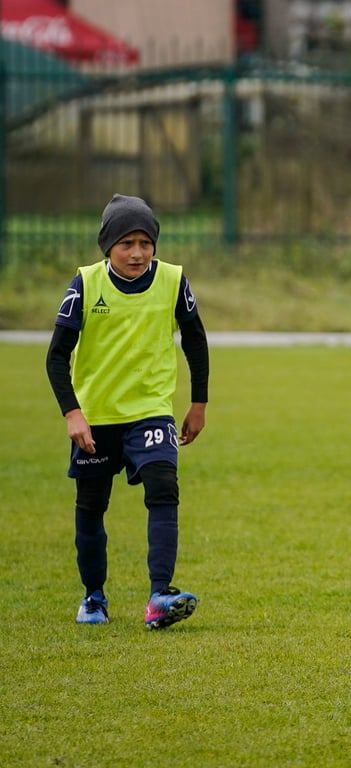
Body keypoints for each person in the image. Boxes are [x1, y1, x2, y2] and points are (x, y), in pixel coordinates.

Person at [45, 193, 207, 629]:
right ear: (107, 246)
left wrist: (198, 402)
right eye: (126, 244)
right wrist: (72, 413)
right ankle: (93, 597)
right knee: (92, 505)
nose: (137, 253)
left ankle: (159, 596)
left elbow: (195, 340)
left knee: (163, 486)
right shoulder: (85, 284)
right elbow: (56, 357)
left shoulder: (173, 281)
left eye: (145, 243)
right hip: (96, 417)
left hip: (151, 411)